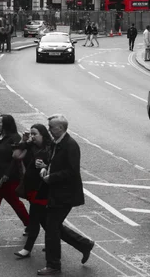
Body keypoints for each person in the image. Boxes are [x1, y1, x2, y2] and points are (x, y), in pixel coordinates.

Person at [37, 115, 94, 276]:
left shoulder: (70, 145)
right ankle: (84, 245)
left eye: (51, 127)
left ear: (60, 128)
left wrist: (52, 177)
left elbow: (72, 171)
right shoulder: (57, 143)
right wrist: (45, 167)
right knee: (52, 225)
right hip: (56, 192)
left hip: (65, 194)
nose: (49, 129)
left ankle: (54, 265)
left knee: (52, 228)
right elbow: (54, 162)